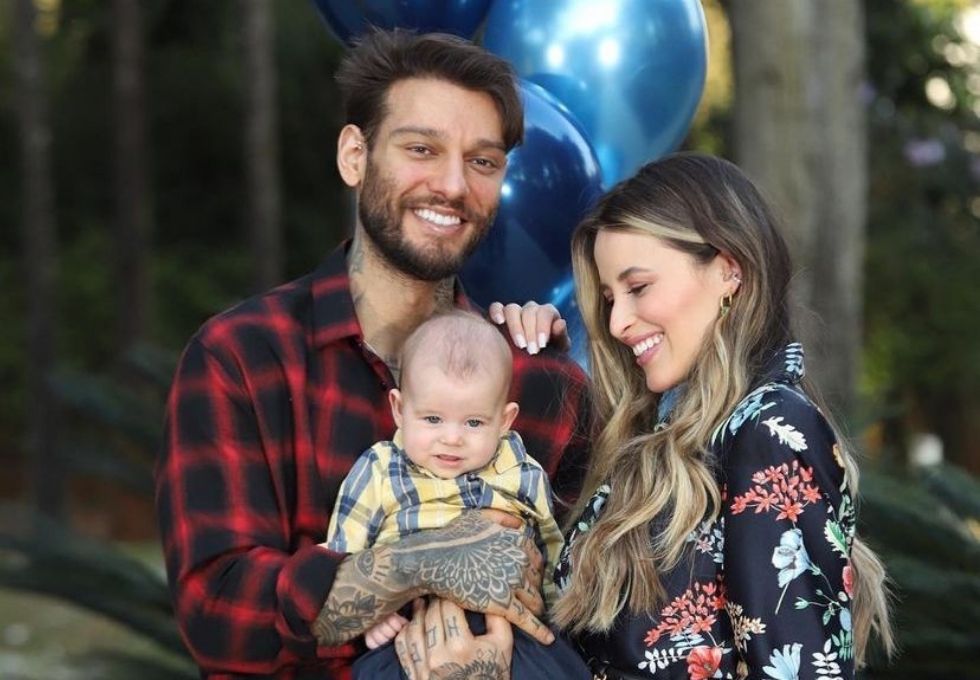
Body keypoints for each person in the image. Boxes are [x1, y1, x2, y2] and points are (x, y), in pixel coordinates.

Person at [155, 29, 591, 679]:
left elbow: (606, 608)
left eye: (483, 161)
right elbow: (219, 615)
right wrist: (421, 561)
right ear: (354, 156)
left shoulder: (542, 385)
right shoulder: (243, 360)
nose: (451, 185)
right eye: (421, 149)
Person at [396, 153, 894, 680]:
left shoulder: (769, 428)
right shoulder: (673, 438)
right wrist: (524, 362)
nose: (617, 322)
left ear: (729, 270)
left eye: (638, 288)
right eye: (610, 298)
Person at [326, 310, 589, 679]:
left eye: (474, 422)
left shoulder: (520, 469)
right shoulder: (381, 468)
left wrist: (553, 610)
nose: (452, 438)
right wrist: (372, 613)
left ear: (505, 420)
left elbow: (549, 545)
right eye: (433, 419)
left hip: (514, 628)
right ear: (400, 410)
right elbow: (343, 555)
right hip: (409, 633)